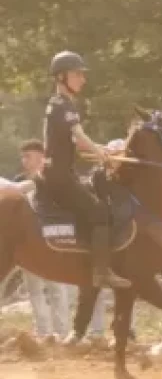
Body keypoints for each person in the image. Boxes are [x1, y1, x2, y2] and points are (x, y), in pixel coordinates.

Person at [38, 51, 130, 289]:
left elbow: (78, 142)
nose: (82, 79)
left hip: (58, 173)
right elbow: (79, 136)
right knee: (100, 211)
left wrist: (103, 150)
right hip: (60, 176)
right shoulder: (63, 104)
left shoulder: (59, 104)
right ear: (61, 77)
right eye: (77, 74)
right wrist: (102, 155)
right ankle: (101, 272)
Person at [13, 140, 71, 339]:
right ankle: (43, 333)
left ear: (41, 157)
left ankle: (62, 333)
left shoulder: (53, 180)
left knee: (57, 288)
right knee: (34, 290)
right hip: (27, 245)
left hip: (52, 240)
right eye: (23, 157)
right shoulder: (18, 181)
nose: (24, 161)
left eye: (28, 156)